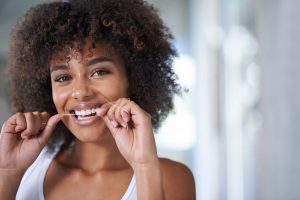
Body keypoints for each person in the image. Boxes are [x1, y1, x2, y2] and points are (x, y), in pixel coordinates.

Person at [0, 0, 196, 199]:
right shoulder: (24, 169)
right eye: (63, 78)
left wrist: (144, 167)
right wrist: (8, 173)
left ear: (134, 79)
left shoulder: (170, 178)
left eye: (99, 72)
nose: (80, 92)